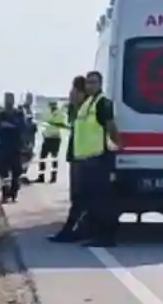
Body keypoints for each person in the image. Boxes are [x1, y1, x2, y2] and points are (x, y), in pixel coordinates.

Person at [75, 69, 121, 247]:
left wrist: (117, 144)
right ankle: (94, 235)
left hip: (100, 158)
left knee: (102, 201)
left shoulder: (103, 103)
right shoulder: (88, 103)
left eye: (94, 82)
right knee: (92, 200)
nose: (90, 85)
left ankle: (107, 237)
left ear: (100, 84)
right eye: (88, 82)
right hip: (88, 159)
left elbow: (111, 126)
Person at [48, 76, 90, 242]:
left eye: (73, 90)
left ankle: (72, 231)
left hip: (84, 157)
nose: (70, 94)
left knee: (81, 197)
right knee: (78, 197)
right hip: (76, 155)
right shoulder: (75, 109)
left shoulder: (87, 110)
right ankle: (75, 229)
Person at [0, 92, 28, 203]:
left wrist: (9, 126)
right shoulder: (1, 115)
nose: (8, 102)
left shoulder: (18, 114)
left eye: (10, 99)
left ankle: (14, 192)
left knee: (16, 173)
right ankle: (5, 194)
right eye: (7, 100)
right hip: (4, 148)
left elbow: (23, 127)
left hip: (16, 148)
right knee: (4, 174)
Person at [35, 97, 67, 184]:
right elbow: (43, 121)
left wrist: (52, 123)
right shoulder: (47, 112)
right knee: (42, 158)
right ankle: (41, 176)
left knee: (54, 158)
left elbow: (62, 124)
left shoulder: (60, 113)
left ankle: (53, 177)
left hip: (55, 138)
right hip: (47, 137)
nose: (51, 106)